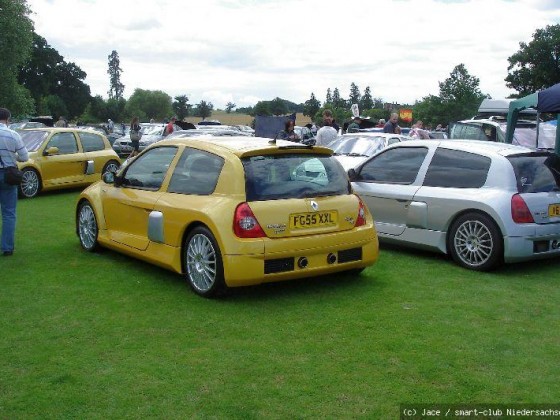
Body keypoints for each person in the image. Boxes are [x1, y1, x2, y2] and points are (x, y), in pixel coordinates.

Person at [0, 107, 29, 256]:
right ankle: (7, 248)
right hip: (8, 174)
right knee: (8, 213)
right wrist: (13, 156)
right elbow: (25, 157)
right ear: (7, 119)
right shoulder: (12, 135)